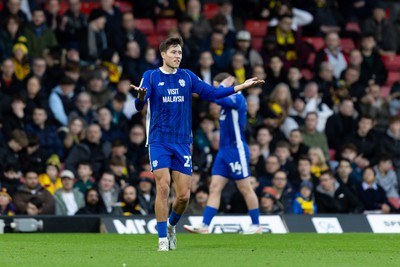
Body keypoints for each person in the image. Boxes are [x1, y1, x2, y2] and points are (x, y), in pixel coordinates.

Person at [130, 37, 264, 251]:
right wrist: (139, 97)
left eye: (180, 53)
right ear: (163, 54)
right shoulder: (151, 76)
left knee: (183, 196)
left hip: (182, 142)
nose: (177, 56)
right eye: (173, 52)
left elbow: (212, 93)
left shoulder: (187, 77)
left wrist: (240, 86)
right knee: (163, 186)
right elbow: (140, 106)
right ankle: (162, 240)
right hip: (159, 141)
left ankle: (172, 226)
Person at [184, 72, 262, 235]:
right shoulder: (227, 103)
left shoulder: (238, 98)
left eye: (216, 84)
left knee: (244, 187)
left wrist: (223, 86)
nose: (215, 88)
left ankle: (256, 225)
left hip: (236, 149)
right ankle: (205, 225)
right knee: (214, 187)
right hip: (223, 151)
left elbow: (217, 97)